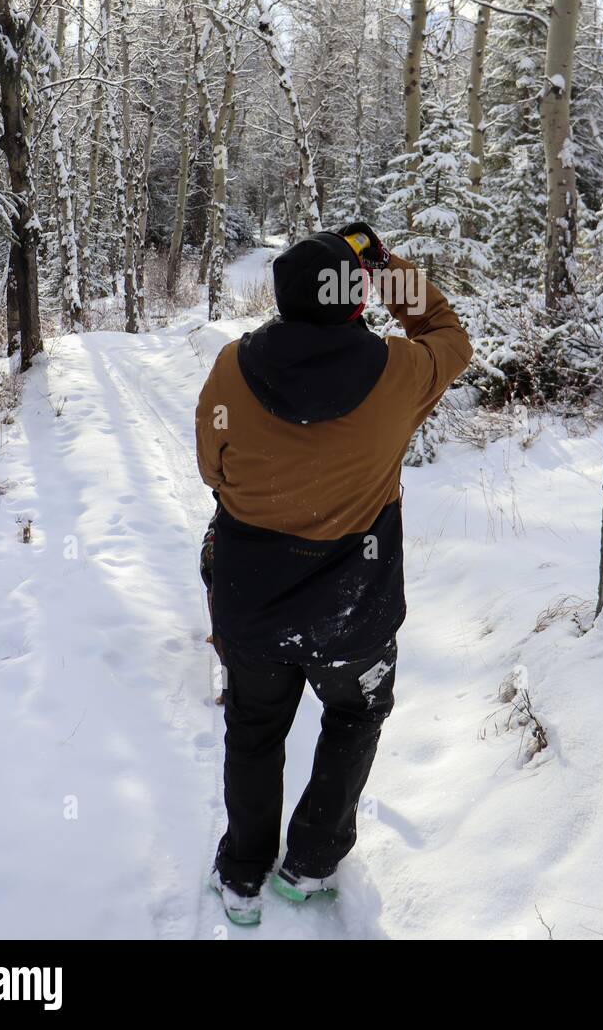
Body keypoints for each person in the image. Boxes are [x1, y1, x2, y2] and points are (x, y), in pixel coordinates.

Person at [194, 221, 472, 926]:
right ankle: (312, 863)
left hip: (251, 598)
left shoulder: (232, 366)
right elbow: (448, 333)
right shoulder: (401, 373)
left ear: (282, 301)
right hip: (356, 603)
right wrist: (384, 262)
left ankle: (242, 873)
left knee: (254, 729)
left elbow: (211, 466)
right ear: (360, 299)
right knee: (355, 715)